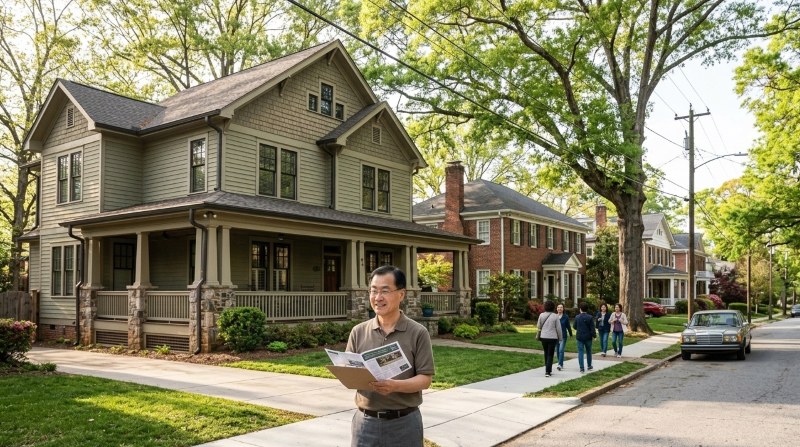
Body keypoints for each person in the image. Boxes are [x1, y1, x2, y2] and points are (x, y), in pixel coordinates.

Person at [347, 265, 435, 447]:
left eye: (385, 291)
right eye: (373, 291)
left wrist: (395, 386)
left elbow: (425, 379)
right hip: (365, 424)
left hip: (404, 424)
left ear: (401, 294)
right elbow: (349, 370)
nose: (378, 298)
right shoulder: (358, 332)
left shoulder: (418, 333)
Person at [537, 300, 562, 377]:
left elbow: (538, 326)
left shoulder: (541, 315)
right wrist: (560, 338)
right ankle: (548, 371)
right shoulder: (555, 316)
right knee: (550, 354)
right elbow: (558, 328)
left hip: (543, 337)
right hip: (552, 337)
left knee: (546, 352)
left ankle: (547, 368)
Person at [573, 301, 596, 373]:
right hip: (588, 337)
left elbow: (574, 326)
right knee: (589, 351)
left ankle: (582, 368)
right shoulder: (590, 317)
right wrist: (594, 336)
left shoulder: (577, 317)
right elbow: (592, 327)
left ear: (580, 309)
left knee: (580, 352)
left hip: (579, 336)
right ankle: (589, 365)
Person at [555, 303, 572, 371]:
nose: (559, 308)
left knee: (561, 350)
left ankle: (560, 364)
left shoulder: (565, 317)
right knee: (557, 350)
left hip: (563, 336)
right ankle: (560, 363)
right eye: (558, 307)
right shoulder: (554, 316)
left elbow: (568, 326)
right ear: (556, 308)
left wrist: (571, 334)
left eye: (561, 307)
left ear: (563, 308)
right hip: (555, 336)